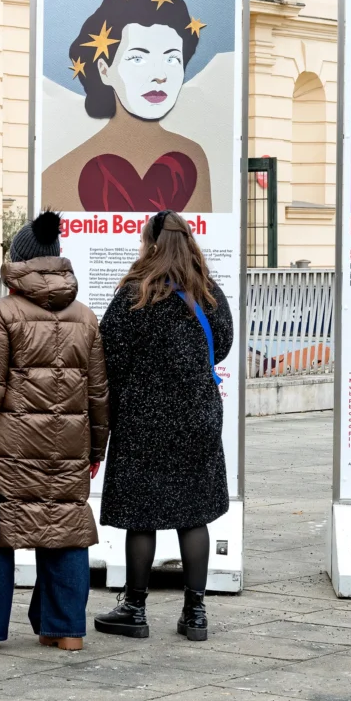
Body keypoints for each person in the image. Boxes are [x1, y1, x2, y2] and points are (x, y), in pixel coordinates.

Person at [0, 211, 111, 652]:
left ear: (19, 261)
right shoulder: (86, 318)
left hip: (8, 450)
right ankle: (66, 628)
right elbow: (99, 393)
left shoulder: (3, 313)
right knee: (66, 529)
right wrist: (96, 450)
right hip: (69, 448)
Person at [93, 210, 233, 642]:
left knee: (143, 517)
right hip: (197, 416)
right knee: (194, 515)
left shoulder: (135, 293)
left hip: (143, 420)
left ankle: (134, 609)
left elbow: (108, 354)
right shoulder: (208, 293)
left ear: (150, 243)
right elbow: (222, 346)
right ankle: (195, 614)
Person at [41, 0, 211, 214]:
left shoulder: (193, 158)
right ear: (104, 70)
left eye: (172, 59)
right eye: (138, 59)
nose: (159, 75)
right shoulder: (57, 176)